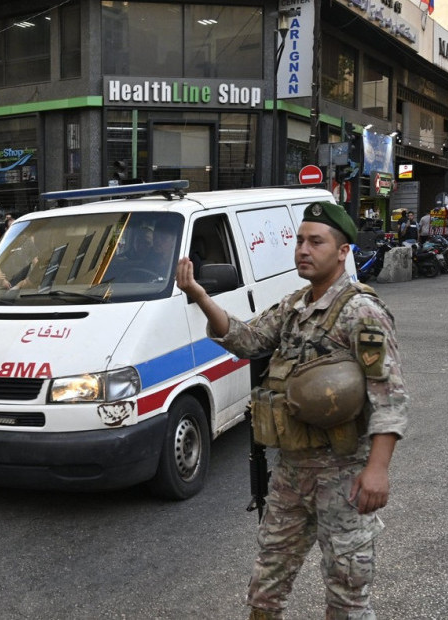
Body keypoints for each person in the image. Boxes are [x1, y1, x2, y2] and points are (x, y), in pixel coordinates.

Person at [175, 201, 409, 618]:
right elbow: (247, 340)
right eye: (299, 240)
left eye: (316, 241)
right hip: (291, 472)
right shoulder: (295, 305)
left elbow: (388, 395)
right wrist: (198, 295)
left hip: (343, 475)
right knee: (266, 584)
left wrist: (378, 469)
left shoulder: (362, 312)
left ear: (342, 251)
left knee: (347, 592)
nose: (303, 249)